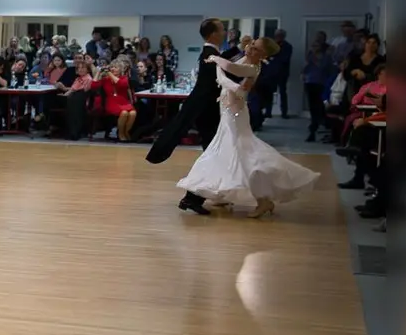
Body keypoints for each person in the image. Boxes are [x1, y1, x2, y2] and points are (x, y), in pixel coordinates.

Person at [176, 38, 320, 218]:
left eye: (255, 48)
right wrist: (233, 56)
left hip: (235, 115)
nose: (250, 49)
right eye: (251, 45)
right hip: (228, 111)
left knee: (243, 155)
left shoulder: (252, 68)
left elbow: (232, 78)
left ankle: (262, 199)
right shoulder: (245, 60)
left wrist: (216, 62)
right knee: (228, 154)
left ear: (263, 55)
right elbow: (232, 68)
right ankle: (224, 193)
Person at [148, 17, 228, 216]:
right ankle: (193, 197)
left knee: (214, 155)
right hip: (206, 112)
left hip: (206, 111)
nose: (225, 33)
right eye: (222, 29)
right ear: (213, 34)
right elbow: (216, 82)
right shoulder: (209, 54)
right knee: (213, 156)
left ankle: (206, 195)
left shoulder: (213, 54)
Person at [301, 31, 337, 142]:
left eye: (316, 46)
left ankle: (321, 125)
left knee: (320, 107)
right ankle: (313, 129)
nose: (314, 48)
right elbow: (305, 69)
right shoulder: (310, 56)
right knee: (312, 106)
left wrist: (317, 58)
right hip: (310, 82)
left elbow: (325, 68)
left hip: (321, 83)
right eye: (313, 46)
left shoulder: (326, 56)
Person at [99, 59, 137, 141]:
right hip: (111, 101)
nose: (112, 69)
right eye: (111, 67)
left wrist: (109, 73)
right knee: (124, 113)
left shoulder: (124, 78)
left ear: (120, 69)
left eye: (115, 67)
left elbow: (120, 83)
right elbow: (94, 85)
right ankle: (120, 133)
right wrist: (99, 73)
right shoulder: (106, 79)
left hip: (123, 101)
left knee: (133, 113)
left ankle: (126, 132)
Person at [269, 28, 295, 118]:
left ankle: (284, 112)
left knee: (283, 93)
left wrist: (274, 56)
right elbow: (267, 56)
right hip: (271, 72)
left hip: (282, 73)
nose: (278, 37)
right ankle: (268, 112)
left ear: (283, 36)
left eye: (280, 36)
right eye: (277, 35)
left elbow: (284, 59)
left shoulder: (288, 46)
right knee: (269, 92)